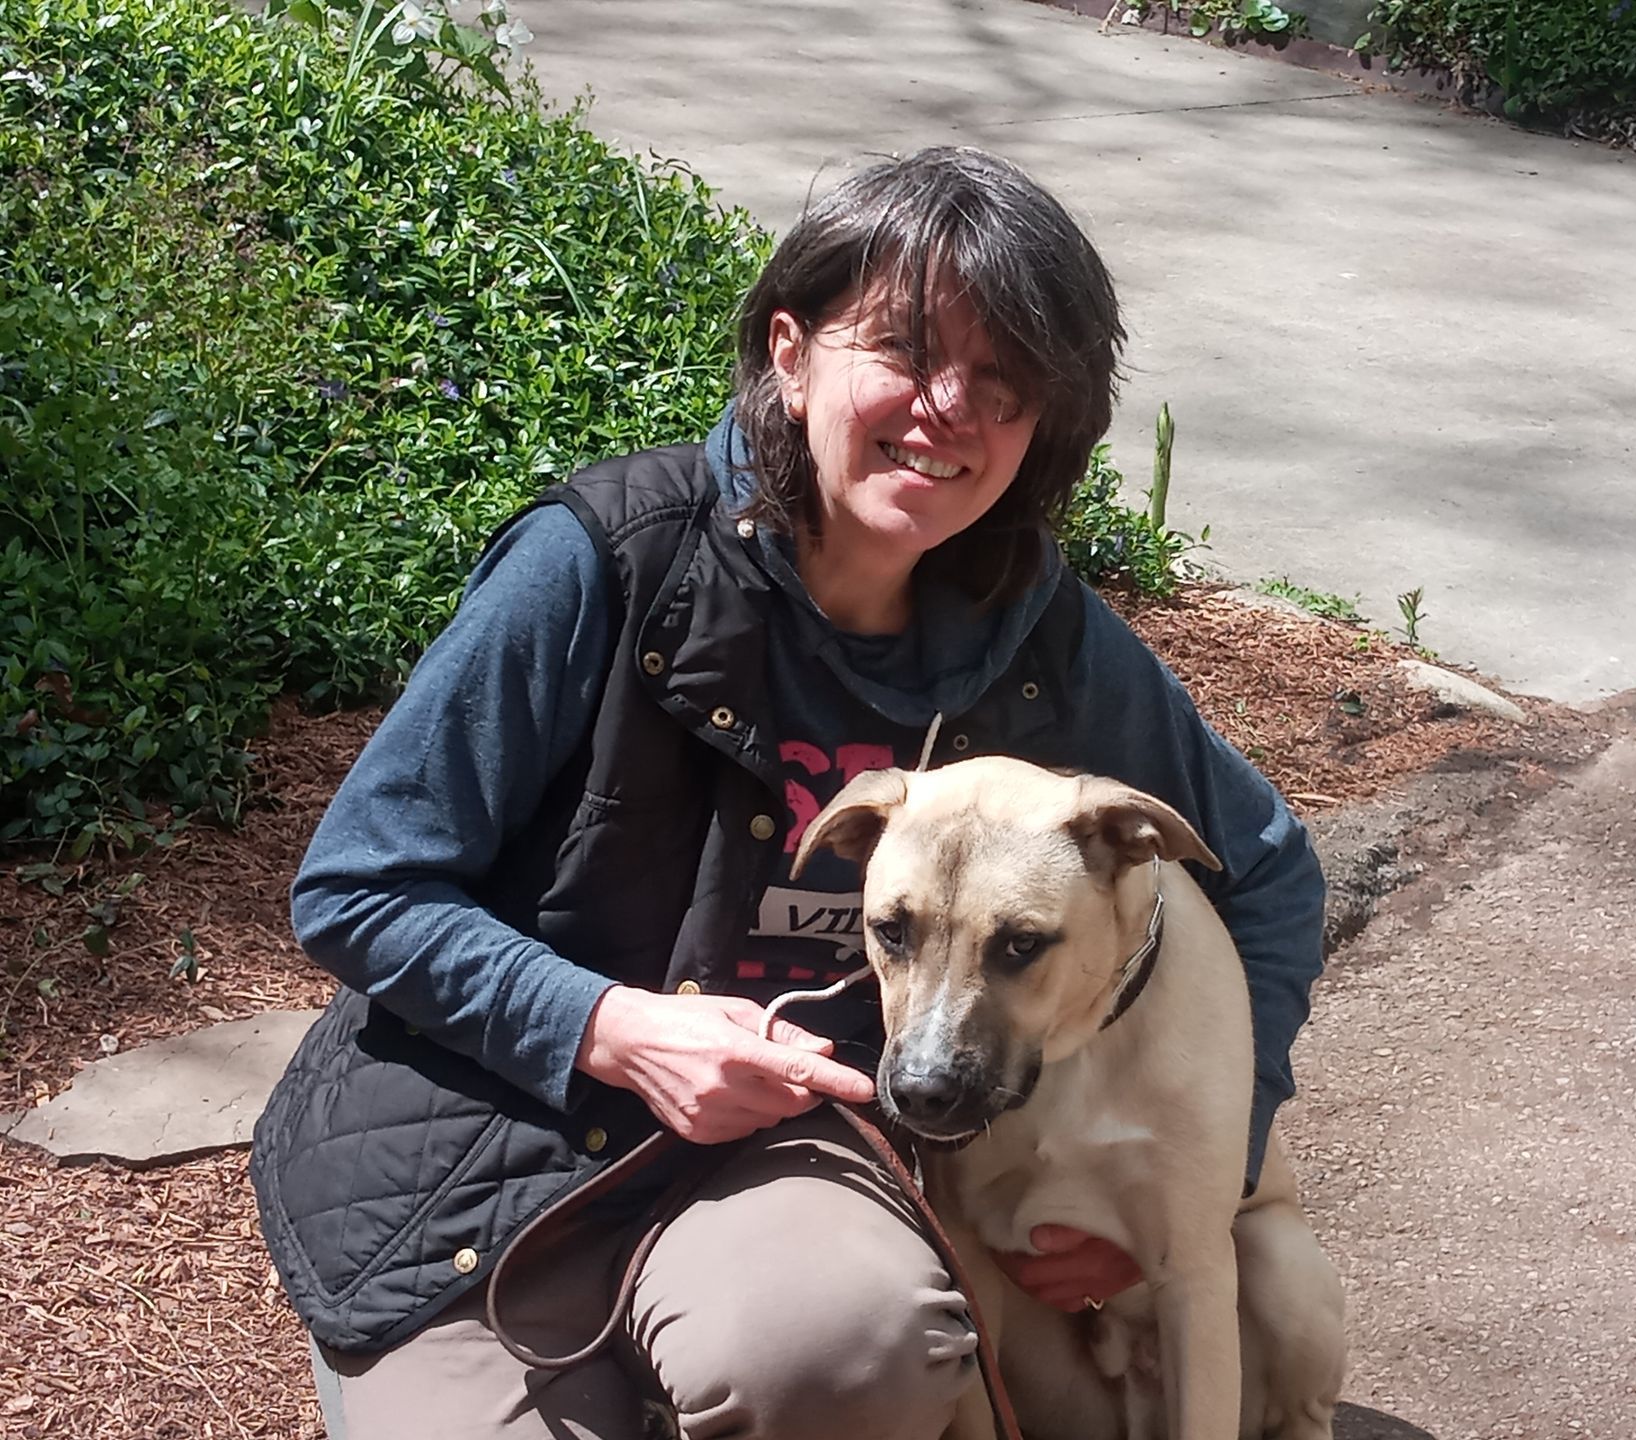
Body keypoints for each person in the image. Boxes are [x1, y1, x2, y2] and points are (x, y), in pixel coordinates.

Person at [252, 145, 1327, 1440]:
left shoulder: (1036, 637)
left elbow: (1265, 870)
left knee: (857, 1347)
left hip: (777, 1168)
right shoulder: (608, 562)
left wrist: (1218, 1166)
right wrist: (617, 1028)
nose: (946, 408)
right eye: (905, 351)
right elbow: (358, 882)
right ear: (790, 351)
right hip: (487, 1159)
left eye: (1002, 380)